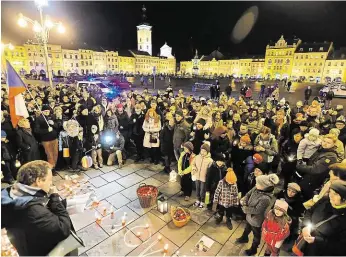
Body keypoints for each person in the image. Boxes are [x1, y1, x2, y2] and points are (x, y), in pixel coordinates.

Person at [1, 160, 73, 256]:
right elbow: (63, 228)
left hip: (26, 246)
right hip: (45, 251)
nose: (51, 183)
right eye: (49, 180)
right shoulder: (34, 211)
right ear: (38, 181)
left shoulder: (9, 193)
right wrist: (54, 197)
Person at [236, 174, 279, 256]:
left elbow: (257, 210)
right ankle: (244, 238)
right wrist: (244, 200)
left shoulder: (266, 199)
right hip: (249, 216)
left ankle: (253, 249)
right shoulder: (257, 188)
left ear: (264, 187)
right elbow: (248, 194)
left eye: (258, 183)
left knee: (256, 235)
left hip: (256, 220)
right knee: (247, 227)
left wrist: (245, 209)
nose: (255, 184)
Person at [300, 181, 346, 256]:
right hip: (305, 244)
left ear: (344, 198)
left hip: (319, 252)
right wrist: (305, 226)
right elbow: (310, 211)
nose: (331, 196)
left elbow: (341, 247)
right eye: (330, 192)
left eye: (336, 194)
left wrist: (317, 240)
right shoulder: (325, 199)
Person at [297, 134, 338, 200]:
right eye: (324, 141)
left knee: (304, 197)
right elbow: (312, 160)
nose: (325, 144)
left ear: (333, 144)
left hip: (314, 181)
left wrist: (300, 167)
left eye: (328, 143)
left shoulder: (331, 156)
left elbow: (316, 169)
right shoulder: (321, 150)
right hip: (308, 177)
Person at [35, 105, 59, 171]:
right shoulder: (39, 118)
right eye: (45, 111)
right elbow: (36, 130)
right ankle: (51, 168)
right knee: (50, 155)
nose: (47, 112)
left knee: (55, 154)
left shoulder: (52, 117)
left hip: (54, 138)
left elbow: (57, 126)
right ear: (42, 111)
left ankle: (54, 166)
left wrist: (53, 123)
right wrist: (46, 130)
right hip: (46, 140)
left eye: (48, 111)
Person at [192, 143, 213, 208]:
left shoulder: (210, 160)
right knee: (197, 189)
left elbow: (211, 170)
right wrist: (194, 168)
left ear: (207, 152)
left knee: (202, 191)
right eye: (202, 151)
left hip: (204, 178)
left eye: (205, 151)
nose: (203, 152)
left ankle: (202, 201)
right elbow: (193, 164)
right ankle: (198, 199)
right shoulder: (197, 157)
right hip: (197, 176)